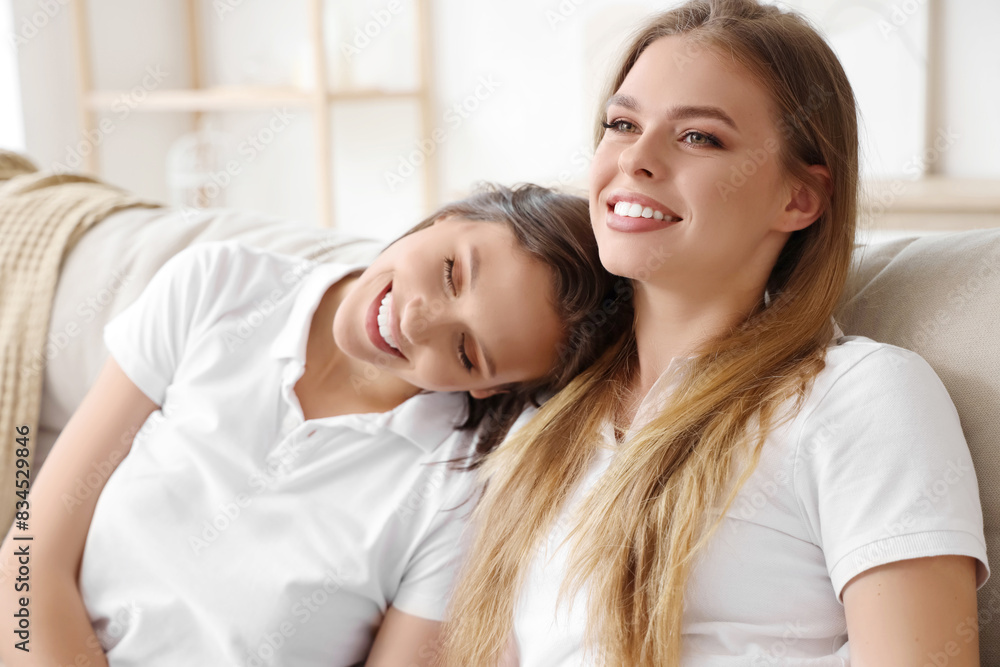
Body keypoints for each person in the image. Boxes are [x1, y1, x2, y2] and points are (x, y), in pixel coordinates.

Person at [441, 2, 991, 666]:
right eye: (622, 124)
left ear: (799, 198)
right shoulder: (543, 431)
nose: (635, 159)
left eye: (699, 137)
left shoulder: (860, 397)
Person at [0, 182, 630, 667]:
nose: (417, 321)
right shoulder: (217, 287)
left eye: (465, 351)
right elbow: (28, 559)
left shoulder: (459, 495)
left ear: (488, 387)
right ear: (450, 217)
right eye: (450, 272)